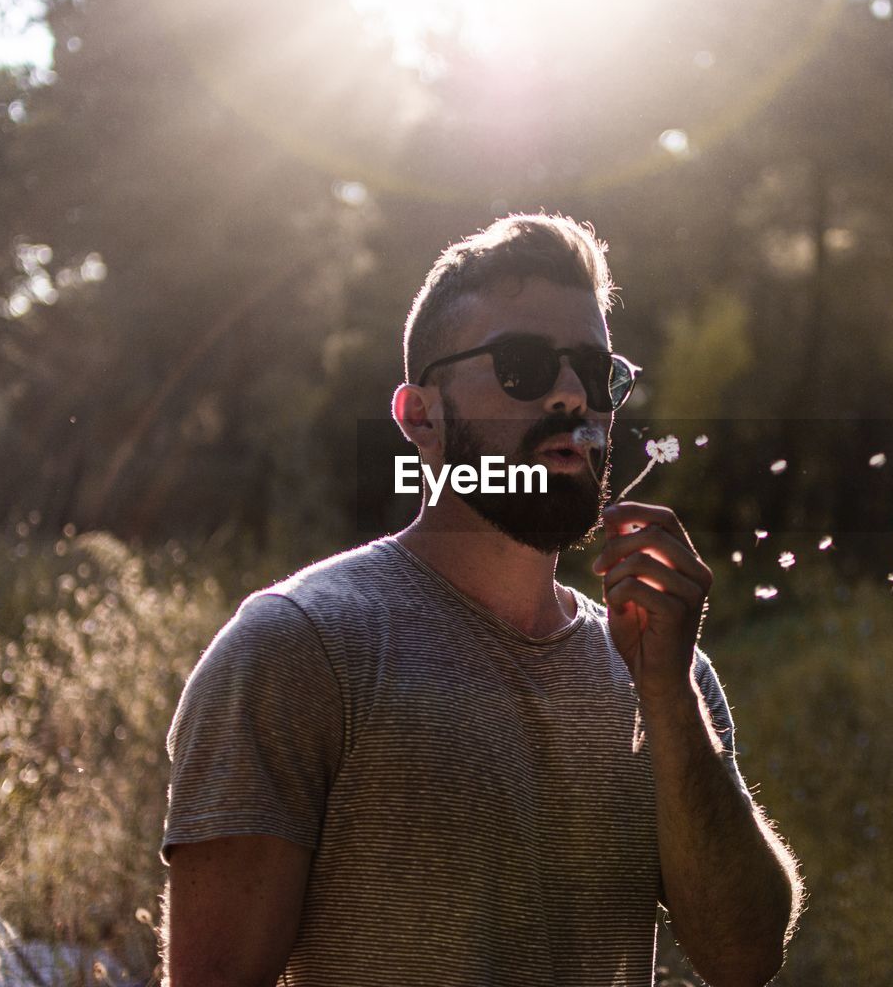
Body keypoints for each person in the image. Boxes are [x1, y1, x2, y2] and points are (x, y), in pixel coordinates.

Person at [160, 214, 803, 987]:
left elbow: (746, 959)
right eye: (523, 365)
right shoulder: (298, 649)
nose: (572, 396)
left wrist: (667, 699)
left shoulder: (666, 672)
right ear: (419, 418)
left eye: (596, 375)